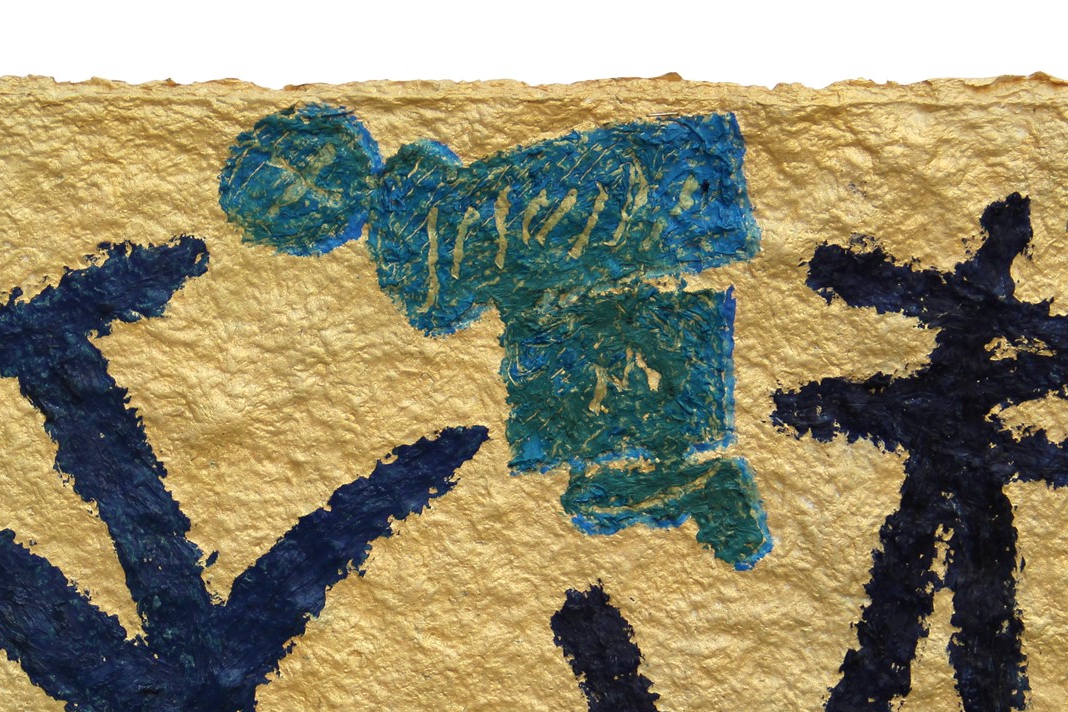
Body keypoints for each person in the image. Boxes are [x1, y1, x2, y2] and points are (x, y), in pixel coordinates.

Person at [221, 104, 769, 568]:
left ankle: (682, 481)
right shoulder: (429, 172)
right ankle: (681, 476)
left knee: (579, 414)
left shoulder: (409, 248)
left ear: (307, 231)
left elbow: (440, 306)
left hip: (600, 269)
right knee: (605, 376)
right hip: (637, 193)